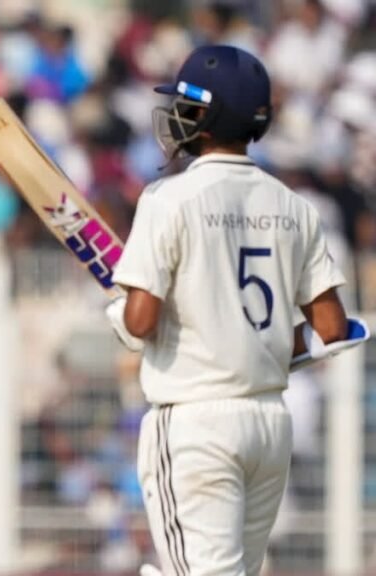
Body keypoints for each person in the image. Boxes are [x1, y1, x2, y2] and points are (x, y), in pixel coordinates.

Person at [106, 45, 349, 575]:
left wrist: (118, 311)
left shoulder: (168, 198)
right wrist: (251, 341)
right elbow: (331, 327)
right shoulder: (295, 207)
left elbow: (140, 322)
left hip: (196, 421)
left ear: (207, 115)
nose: (176, 116)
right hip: (268, 425)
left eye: (186, 106)